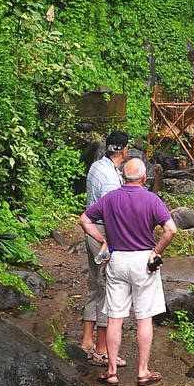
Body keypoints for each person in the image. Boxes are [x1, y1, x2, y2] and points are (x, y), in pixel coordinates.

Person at [79, 156, 177, 386]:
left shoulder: (110, 198)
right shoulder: (152, 199)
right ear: (144, 178)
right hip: (144, 261)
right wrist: (156, 251)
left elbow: (84, 219)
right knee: (144, 318)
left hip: (117, 259)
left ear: (123, 177)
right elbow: (171, 229)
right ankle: (142, 371)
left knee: (115, 318)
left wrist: (102, 240)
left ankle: (111, 371)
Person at [79, 130, 130, 367]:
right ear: (123, 150)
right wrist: (112, 242)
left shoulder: (98, 166)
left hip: (92, 232)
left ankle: (87, 341)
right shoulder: (110, 178)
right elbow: (112, 213)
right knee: (107, 288)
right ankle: (101, 350)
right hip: (102, 235)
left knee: (94, 284)